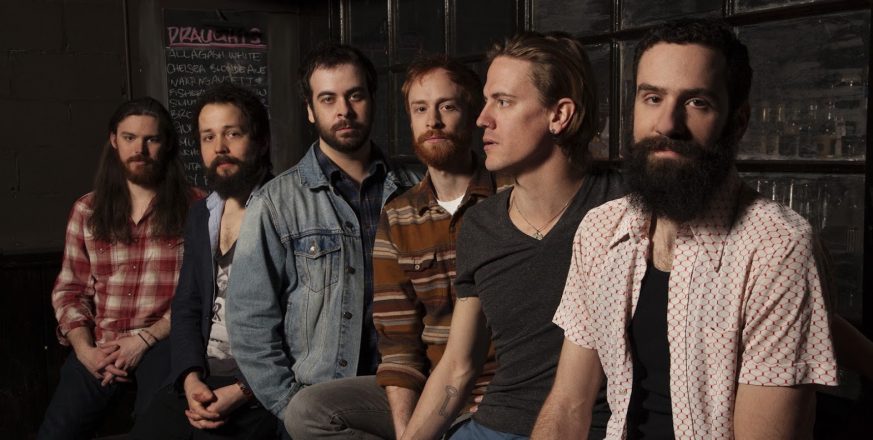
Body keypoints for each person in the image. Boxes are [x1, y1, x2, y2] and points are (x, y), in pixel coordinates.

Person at [533, 18, 838, 439]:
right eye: (653, 98)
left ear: (738, 121)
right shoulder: (600, 230)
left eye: (697, 102)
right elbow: (568, 404)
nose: (668, 124)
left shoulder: (778, 247)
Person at [401, 32, 623, 440]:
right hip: (496, 426)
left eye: (502, 102)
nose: (482, 118)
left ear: (559, 115)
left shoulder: (623, 207)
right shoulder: (481, 226)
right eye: (486, 101)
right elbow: (458, 367)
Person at [284, 54, 503, 439]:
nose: (433, 121)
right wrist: (407, 430)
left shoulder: (508, 199)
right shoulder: (398, 215)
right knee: (308, 411)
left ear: (473, 114)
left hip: (498, 394)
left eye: (447, 107)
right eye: (420, 109)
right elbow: (399, 344)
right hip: (429, 390)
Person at [225, 42, 420, 435]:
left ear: (372, 99)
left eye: (355, 95)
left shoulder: (417, 189)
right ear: (311, 110)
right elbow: (249, 321)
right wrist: (291, 406)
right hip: (319, 407)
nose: (344, 110)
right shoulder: (275, 202)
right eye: (328, 99)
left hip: (412, 391)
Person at [39, 97, 197, 439]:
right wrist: (85, 351)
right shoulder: (87, 210)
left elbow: (201, 294)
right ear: (114, 140)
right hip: (101, 345)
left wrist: (143, 340)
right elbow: (70, 291)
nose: (139, 149)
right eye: (129, 138)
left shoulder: (198, 208)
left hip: (164, 343)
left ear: (167, 143)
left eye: (151, 139)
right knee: (55, 433)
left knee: (156, 428)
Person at [131, 83, 278, 439]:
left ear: (261, 141)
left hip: (258, 385)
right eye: (208, 137)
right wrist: (189, 376)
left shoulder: (285, 210)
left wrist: (243, 390)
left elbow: (303, 325)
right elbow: (187, 305)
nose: (219, 148)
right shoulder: (202, 214)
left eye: (232, 134)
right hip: (200, 374)